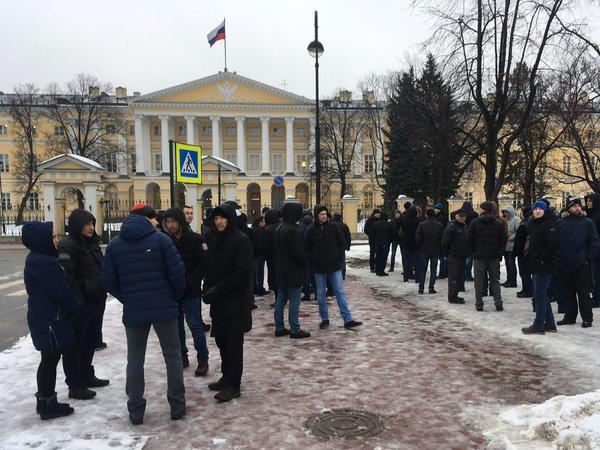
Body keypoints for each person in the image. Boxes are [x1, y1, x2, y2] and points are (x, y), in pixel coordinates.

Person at [101, 205, 186, 425]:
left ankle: (136, 409)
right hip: (164, 307)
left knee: (135, 359)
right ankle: (177, 404)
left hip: (134, 309)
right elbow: (178, 274)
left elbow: (108, 281)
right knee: (173, 356)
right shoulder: (162, 241)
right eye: (155, 219)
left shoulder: (115, 245)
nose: (159, 222)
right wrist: (173, 297)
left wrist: (126, 297)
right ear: (148, 220)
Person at [23, 221, 83, 420]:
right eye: (54, 236)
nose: (58, 240)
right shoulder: (43, 262)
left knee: (50, 358)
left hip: (47, 318)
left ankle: (47, 401)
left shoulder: (42, 258)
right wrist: (76, 308)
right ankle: (47, 404)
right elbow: (61, 291)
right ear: (41, 240)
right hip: (49, 321)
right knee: (49, 359)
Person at [202, 204, 254, 402]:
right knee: (221, 340)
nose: (219, 222)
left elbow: (241, 274)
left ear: (230, 219)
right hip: (219, 302)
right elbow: (212, 268)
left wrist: (218, 289)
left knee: (233, 343)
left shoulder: (241, 241)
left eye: (222, 218)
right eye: (215, 219)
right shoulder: (217, 240)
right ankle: (226, 376)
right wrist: (207, 288)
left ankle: (234, 384)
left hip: (236, 302)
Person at [57, 209, 109, 399]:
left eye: (92, 224)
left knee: (91, 341)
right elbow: (68, 278)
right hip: (81, 304)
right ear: (77, 225)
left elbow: (99, 268)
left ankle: (87, 375)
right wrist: (80, 299)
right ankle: (75, 385)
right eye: (87, 224)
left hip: (97, 300)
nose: (91, 227)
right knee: (76, 345)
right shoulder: (67, 245)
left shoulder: (92, 244)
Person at [161, 207, 210, 376]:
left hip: (190, 290)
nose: (170, 225)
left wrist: (192, 281)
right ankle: (182, 356)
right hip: (173, 292)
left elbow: (203, 264)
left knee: (195, 325)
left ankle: (203, 359)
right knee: (176, 327)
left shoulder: (196, 239)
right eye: (167, 222)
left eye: (173, 221)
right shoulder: (165, 241)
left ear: (180, 221)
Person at [304, 205, 363, 330]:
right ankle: (324, 318)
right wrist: (314, 259)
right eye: (321, 214)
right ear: (316, 215)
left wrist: (336, 256)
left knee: (339, 291)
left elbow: (342, 244)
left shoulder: (334, 227)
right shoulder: (310, 230)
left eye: (325, 214)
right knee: (320, 294)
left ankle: (347, 319)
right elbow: (306, 249)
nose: (324, 216)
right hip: (319, 268)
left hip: (334, 266)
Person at [556, 198, 600, 328]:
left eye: (579, 206)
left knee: (583, 293)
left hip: (582, 264)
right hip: (564, 263)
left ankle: (587, 318)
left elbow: (594, 242)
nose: (577, 208)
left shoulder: (588, 223)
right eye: (574, 206)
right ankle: (570, 316)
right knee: (568, 292)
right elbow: (556, 242)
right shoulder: (560, 223)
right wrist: (558, 257)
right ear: (569, 208)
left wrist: (588, 258)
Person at [273, 202, 311, 339]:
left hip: (281, 269)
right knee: (294, 301)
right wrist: (306, 263)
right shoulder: (292, 230)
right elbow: (297, 251)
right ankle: (295, 329)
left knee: (281, 300)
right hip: (293, 270)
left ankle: (279, 327)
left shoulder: (279, 228)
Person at [522, 201, 559, 334]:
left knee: (539, 295)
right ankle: (550, 324)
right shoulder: (536, 224)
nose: (537, 211)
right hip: (537, 264)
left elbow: (552, 246)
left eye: (540, 208)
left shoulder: (549, 224)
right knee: (542, 294)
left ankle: (539, 325)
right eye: (535, 208)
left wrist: (541, 260)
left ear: (545, 210)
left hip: (544, 265)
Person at [467, 201, 506, 311]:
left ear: (483, 210)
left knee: (479, 281)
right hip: (493, 256)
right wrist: (499, 253)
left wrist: (473, 252)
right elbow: (502, 240)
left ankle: (479, 303)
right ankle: (498, 302)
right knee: (495, 280)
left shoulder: (474, 223)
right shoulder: (498, 223)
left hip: (479, 256)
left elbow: (469, 240)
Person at [441, 209, 469, 304]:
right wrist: (445, 254)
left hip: (462, 255)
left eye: (464, 216)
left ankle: (455, 294)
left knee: (459, 276)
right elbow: (445, 242)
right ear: (456, 216)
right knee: (454, 276)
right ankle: (452, 296)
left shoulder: (465, 227)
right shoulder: (451, 227)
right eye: (460, 216)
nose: (462, 218)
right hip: (453, 255)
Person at [415, 208, 444, 294]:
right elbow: (442, 238)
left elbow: (418, 238)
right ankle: (431, 287)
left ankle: (421, 287)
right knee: (434, 269)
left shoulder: (421, 225)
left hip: (424, 249)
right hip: (435, 249)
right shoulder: (439, 225)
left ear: (426, 215)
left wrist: (420, 246)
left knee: (422, 269)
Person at [513, 207, 534, 298]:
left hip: (523, 252)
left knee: (524, 272)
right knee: (526, 272)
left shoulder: (524, 224)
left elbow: (519, 241)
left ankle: (527, 290)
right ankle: (526, 289)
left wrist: (515, 252)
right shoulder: (532, 223)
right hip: (529, 252)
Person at [585, 193, 600, 307]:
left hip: (596, 250)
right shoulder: (590, 214)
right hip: (590, 250)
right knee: (592, 275)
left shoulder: (597, 216)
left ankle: (597, 299)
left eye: (590, 201)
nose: (588, 203)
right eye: (587, 201)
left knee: (596, 276)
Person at [501, 206, 521, 288]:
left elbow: (519, 231)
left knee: (511, 263)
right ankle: (509, 279)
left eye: (507, 212)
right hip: (506, 245)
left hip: (512, 245)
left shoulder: (516, 220)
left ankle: (513, 281)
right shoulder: (505, 220)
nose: (505, 214)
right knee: (507, 264)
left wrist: (511, 237)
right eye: (504, 212)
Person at [400, 205, 420, 282]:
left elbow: (403, 231)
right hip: (415, 244)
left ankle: (406, 277)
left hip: (406, 242)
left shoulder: (405, 220)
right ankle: (417, 278)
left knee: (407, 262)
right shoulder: (417, 221)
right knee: (416, 262)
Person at [371, 212, 395, 277]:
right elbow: (393, 234)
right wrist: (390, 241)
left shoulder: (376, 224)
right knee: (384, 257)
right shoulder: (389, 224)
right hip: (386, 243)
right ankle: (381, 271)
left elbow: (372, 234)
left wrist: (375, 240)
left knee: (378, 256)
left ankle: (377, 270)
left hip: (378, 243)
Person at [264, 209, 281, 299]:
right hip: (282, 257)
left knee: (274, 278)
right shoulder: (281, 226)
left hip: (272, 258)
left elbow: (266, 245)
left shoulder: (268, 229)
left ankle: (278, 297)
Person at [251, 216, 269, 296]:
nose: (265, 223)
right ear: (260, 222)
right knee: (259, 273)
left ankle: (255, 288)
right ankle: (260, 289)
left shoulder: (252, 230)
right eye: (263, 222)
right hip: (260, 255)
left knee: (255, 273)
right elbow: (262, 244)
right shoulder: (261, 231)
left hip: (253, 254)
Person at [299, 214, 315, 301]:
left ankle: (307, 294)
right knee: (314, 274)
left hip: (305, 254)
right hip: (313, 255)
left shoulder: (300, 228)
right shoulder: (313, 228)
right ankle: (316, 293)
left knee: (306, 275)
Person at [332, 212, 352, 279]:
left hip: (333, 246)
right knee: (342, 260)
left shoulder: (331, 225)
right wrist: (348, 245)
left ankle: (334, 275)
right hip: (342, 246)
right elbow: (348, 236)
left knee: (333, 261)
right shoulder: (344, 225)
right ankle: (342, 274)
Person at [434, 203, 449, 279]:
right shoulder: (441, 217)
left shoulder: (441, 218)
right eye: (435, 208)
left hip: (441, 239)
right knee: (443, 257)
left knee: (442, 257)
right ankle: (445, 272)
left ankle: (442, 272)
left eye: (437, 209)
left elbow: (440, 229)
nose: (435, 210)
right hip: (442, 239)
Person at [363, 209, 381, 273]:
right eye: (377, 213)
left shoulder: (380, 220)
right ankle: (372, 267)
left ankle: (377, 266)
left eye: (379, 213)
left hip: (379, 240)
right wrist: (371, 235)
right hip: (372, 240)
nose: (378, 214)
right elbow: (366, 230)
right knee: (372, 254)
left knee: (378, 253)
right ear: (374, 214)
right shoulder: (370, 220)